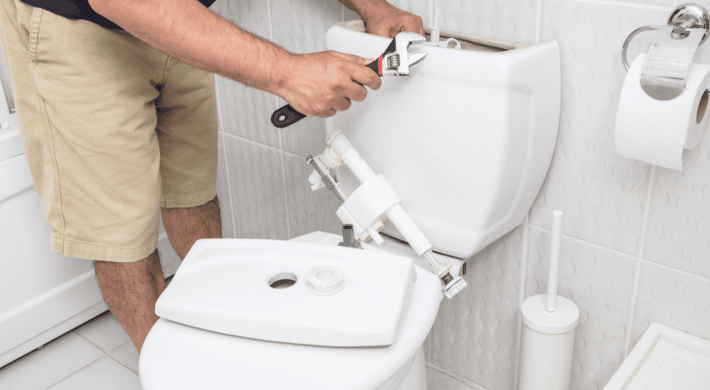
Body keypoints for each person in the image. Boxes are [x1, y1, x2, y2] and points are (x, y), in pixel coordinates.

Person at [0, 0, 423, 352]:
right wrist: (288, 72)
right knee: (121, 232)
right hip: (77, 27)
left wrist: (373, 7)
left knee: (192, 189)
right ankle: (166, 368)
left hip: (180, 18)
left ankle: (223, 338)